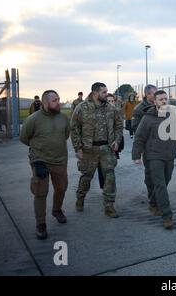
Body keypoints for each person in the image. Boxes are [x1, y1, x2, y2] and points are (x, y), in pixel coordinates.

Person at [132, 90, 176, 229]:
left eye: (165, 99)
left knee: (165, 181)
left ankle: (153, 202)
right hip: (153, 156)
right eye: (161, 99)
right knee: (160, 185)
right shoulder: (148, 118)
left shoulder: (174, 116)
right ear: (155, 102)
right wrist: (136, 155)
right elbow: (139, 137)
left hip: (169, 156)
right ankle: (167, 216)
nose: (164, 101)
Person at [19, 90, 70, 240]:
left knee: (61, 188)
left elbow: (65, 135)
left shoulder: (64, 118)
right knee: (40, 193)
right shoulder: (33, 119)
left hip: (60, 160)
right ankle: (40, 224)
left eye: (59, 99)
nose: (58, 102)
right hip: (40, 161)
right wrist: (38, 153)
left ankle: (57, 210)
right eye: (55, 100)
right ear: (45, 102)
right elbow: (24, 138)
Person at [71, 82, 123, 217]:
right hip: (89, 149)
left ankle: (109, 205)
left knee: (110, 177)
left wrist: (117, 141)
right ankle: (80, 198)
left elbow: (119, 126)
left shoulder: (111, 108)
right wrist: (78, 148)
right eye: (104, 92)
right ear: (95, 93)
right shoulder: (81, 108)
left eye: (106, 92)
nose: (107, 94)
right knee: (86, 177)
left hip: (107, 148)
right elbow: (74, 129)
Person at [131, 84, 158, 207]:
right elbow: (136, 129)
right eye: (154, 93)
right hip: (148, 146)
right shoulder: (139, 109)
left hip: (161, 145)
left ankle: (158, 194)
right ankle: (152, 195)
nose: (157, 95)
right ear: (148, 95)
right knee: (150, 172)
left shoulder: (161, 107)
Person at [97, 93, 125, 189]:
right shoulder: (100, 114)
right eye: (108, 101)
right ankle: (104, 186)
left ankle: (108, 187)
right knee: (102, 168)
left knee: (110, 168)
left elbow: (120, 129)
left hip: (113, 146)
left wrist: (118, 143)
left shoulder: (117, 113)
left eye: (112, 101)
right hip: (101, 147)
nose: (111, 103)